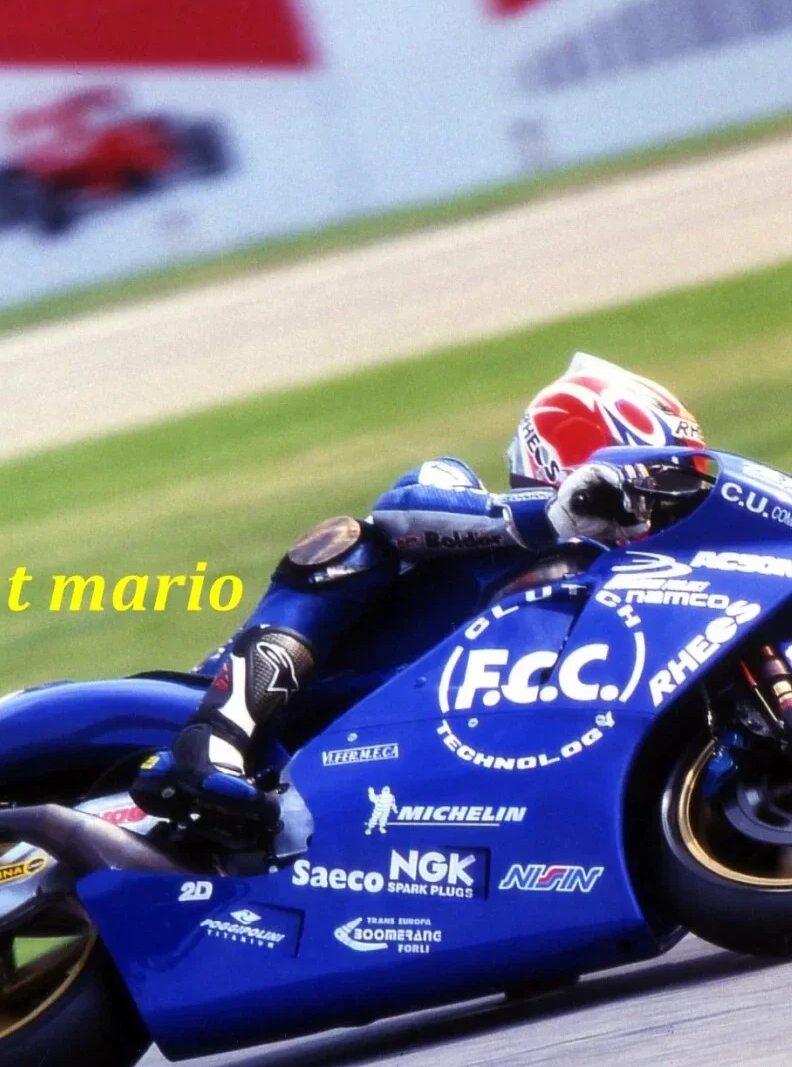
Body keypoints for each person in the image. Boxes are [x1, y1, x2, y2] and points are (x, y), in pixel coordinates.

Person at [129, 354, 706, 836]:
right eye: (661, 491)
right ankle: (216, 737)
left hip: (436, 771)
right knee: (350, 542)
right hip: (314, 702)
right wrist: (556, 515)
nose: (669, 512)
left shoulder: (631, 587)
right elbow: (399, 513)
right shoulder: (456, 487)